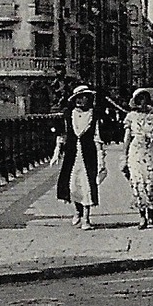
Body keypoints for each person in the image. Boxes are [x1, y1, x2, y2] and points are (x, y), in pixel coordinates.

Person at [55, 85, 105, 229]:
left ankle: (86, 218)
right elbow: (63, 134)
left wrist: (101, 158)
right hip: (72, 154)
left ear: (88, 99)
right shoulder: (68, 114)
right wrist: (57, 151)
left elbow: (97, 136)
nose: (79, 100)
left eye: (82, 97)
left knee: (87, 184)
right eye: (77, 97)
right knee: (73, 184)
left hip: (88, 154)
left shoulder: (94, 114)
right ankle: (77, 210)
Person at [121, 87, 153, 229]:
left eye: (145, 99)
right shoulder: (131, 116)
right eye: (139, 99)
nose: (142, 102)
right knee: (138, 182)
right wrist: (124, 155)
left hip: (151, 150)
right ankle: (142, 215)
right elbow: (127, 137)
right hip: (136, 151)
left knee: (151, 181)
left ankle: (151, 210)